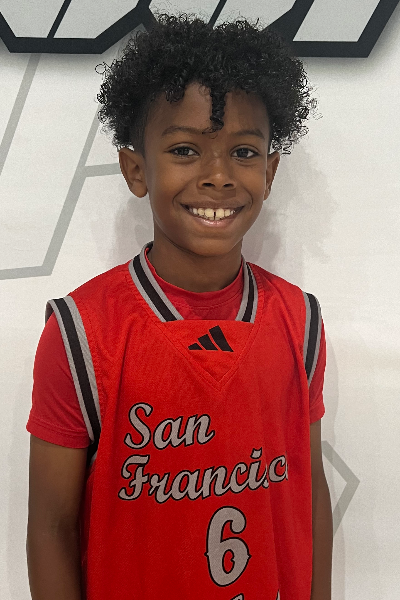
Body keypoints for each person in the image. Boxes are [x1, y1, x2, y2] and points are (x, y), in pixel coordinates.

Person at [26, 13, 332, 600]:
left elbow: (308, 495)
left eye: (244, 151)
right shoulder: (81, 333)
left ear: (270, 172)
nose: (218, 177)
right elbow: (52, 527)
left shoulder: (301, 322)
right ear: (136, 169)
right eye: (186, 150)